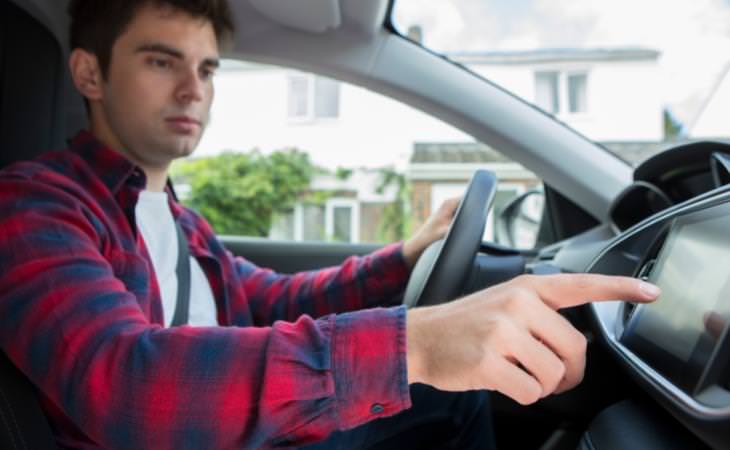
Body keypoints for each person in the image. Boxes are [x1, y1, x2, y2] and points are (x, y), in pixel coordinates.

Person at [0, 0, 660, 449]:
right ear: (89, 72)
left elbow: (266, 299)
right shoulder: (34, 207)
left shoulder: (180, 220)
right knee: (446, 398)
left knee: (451, 401)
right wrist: (416, 347)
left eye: (205, 68)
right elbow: (124, 381)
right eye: (160, 60)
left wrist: (404, 256)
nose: (193, 89)